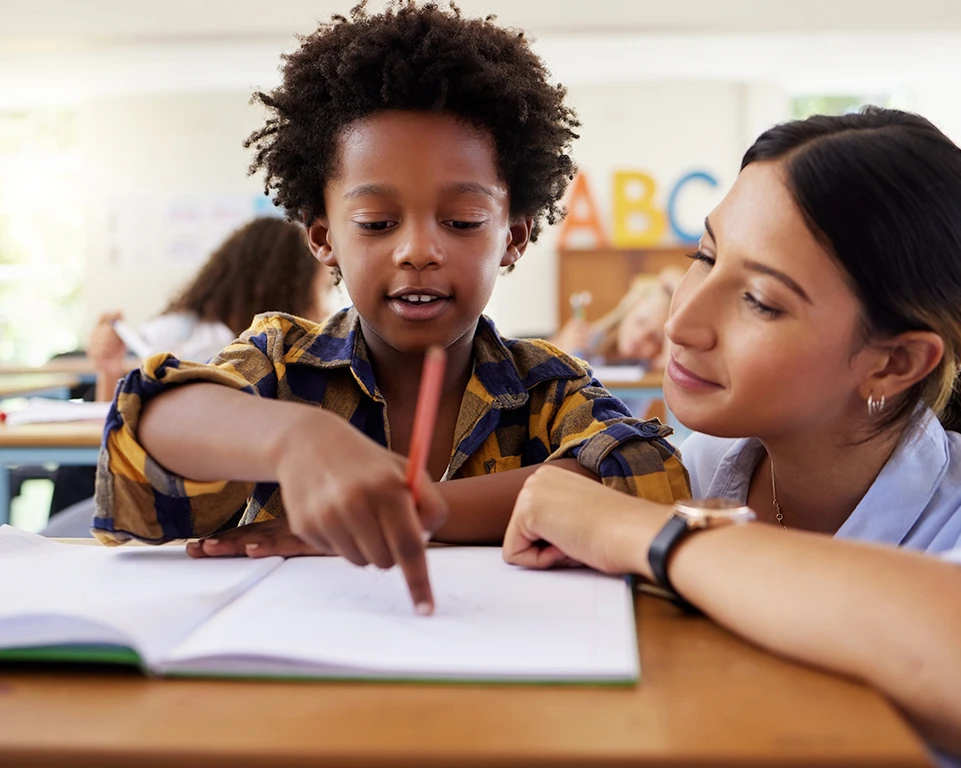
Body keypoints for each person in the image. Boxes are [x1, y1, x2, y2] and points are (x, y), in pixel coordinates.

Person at [91, 3, 688, 614]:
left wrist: (419, 508)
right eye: (376, 223)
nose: (419, 251)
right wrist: (294, 438)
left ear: (512, 237)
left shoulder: (547, 388)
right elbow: (142, 447)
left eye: (462, 221)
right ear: (323, 238)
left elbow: (650, 478)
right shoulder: (282, 366)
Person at [500, 108, 961, 767]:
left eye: (761, 301)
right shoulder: (708, 462)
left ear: (892, 363)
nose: (682, 320)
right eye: (705, 255)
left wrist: (641, 534)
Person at [87, 216, 338, 401]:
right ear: (286, 290)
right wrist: (108, 374)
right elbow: (115, 431)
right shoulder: (176, 334)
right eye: (323, 290)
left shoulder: (294, 362)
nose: (326, 309)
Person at [548, 267, 685, 370]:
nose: (639, 337)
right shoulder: (583, 340)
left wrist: (678, 297)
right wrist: (560, 354)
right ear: (629, 309)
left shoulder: (646, 366)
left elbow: (671, 363)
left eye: (654, 338)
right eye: (640, 321)